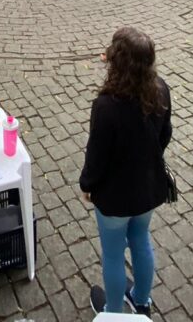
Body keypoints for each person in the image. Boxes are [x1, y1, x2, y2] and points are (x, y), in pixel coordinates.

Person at [80, 27, 172, 316]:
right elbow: (165, 134)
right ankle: (142, 300)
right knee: (141, 239)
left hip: (115, 196)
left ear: (115, 62)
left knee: (113, 253)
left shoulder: (107, 105)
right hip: (147, 187)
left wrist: (87, 185)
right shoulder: (161, 88)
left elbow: (97, 155)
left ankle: (114, 309)